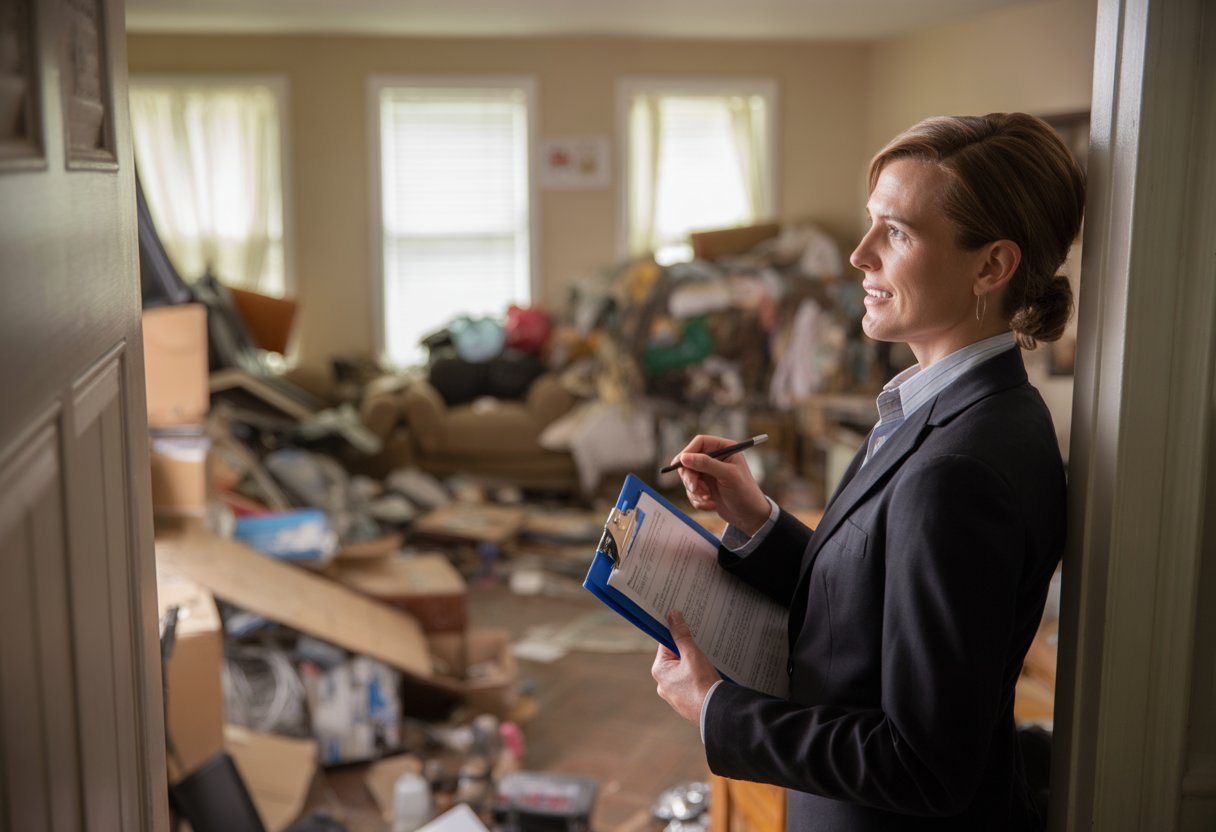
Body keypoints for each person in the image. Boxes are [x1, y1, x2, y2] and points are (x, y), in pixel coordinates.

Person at [651, 112, 1085, 831]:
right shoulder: (952, 406)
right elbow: (870, 606)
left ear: (991, 266)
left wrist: (717, 709)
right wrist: (757, 519)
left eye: (898, 232)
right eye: (870, 222)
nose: (858, 255)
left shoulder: (961, 469)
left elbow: (922, 763)